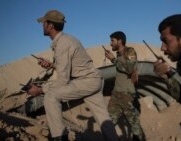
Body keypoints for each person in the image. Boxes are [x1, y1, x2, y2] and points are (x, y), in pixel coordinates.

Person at [27, 9, 119, 141]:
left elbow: (63, 80)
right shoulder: (66, 40)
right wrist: (52, 65)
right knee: (104, 119)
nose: (42, 25)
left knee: (51, 97)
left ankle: (60, 138)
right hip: (93, 80)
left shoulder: (63, 44)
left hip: (85, 82)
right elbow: (72, 66)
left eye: (44, 22)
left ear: (51, 25)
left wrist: (40, 90)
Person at [104, 31, 145, 141]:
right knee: (107, 124)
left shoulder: (130, 51)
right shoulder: (118, 54)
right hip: (116, 95)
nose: (110, 43)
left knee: (135, 127)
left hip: (128, 95)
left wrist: (113, 59)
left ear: (120, 41)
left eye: (112, 40)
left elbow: (130, 69)